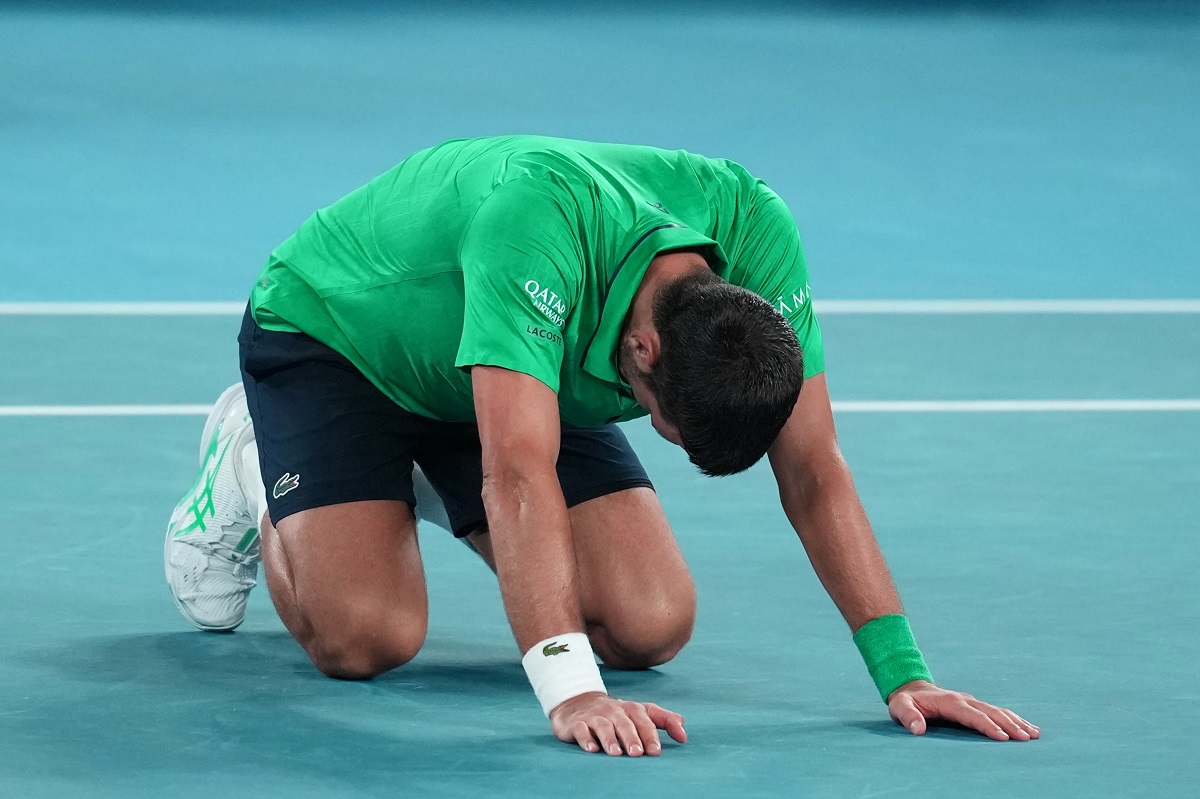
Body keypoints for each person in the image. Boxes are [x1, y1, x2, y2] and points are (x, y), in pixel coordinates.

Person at [164, 136, 1039, 757]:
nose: (657, 432)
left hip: (506, 369)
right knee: (366, 638)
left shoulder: (756, 235)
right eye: (664, 423)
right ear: (645, 354)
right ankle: (249, 448)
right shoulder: (535, 225)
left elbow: (812, 465)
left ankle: (411, 481)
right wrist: (570, 689)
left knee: (650, 621)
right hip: (342, 340)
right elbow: (517, 470)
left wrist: (904, 673)